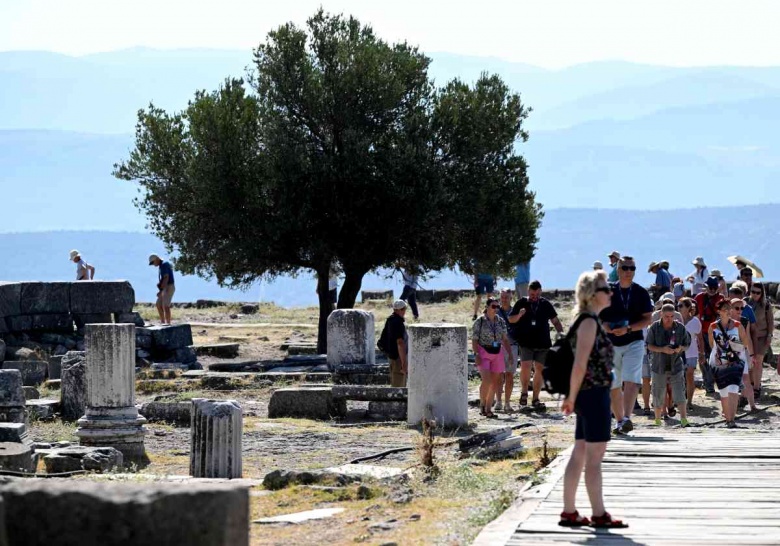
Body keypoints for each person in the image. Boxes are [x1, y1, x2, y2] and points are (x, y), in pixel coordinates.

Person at [559, 271, 628, 529]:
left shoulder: (587, 320)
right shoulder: (588, 322)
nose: (610, 293)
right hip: (593, 395)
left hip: (588, 395)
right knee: (595, 457)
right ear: (591, 294)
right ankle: (599, 514)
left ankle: (570, 511)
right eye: (605, 289)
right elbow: (580, 365)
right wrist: (571, 397)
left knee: (580, 451)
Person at [600, 256, 653, 434]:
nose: (628, 271)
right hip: (611, 342)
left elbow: (648, 318)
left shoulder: (640, 292)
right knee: (614, 384)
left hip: (634, 340)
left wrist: (628, 328)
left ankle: (627, 418)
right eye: (625, 268)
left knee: (631, 380)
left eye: (632, 268)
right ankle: (620, 420)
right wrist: (606, 327)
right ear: (618, 269)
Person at [507, 280, 563, 410]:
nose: (535, 297)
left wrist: (561, 335)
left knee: (539, 369)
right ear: (528, 292)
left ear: (541, 292)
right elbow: (511, 319)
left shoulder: (545, 304)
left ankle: (536, 398)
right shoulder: (521, 302)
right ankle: (524, 392)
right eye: (532, 294)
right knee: (526, 366)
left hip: (543, 342)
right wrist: (520, 315)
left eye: (537, 294)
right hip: (526, 342)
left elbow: (555, 321)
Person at [709, 300, 756, 428]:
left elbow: (745, 343)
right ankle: (727, 418)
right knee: (723, 390)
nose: (728, 311)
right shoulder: (713, 326)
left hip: (736, 360)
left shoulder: (737, 325)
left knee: (734, 388)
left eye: (729, 309)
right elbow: (711, 344)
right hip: (719, 361)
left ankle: (732, 419)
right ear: (719, 311)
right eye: (725, 309)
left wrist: (732, 347)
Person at [646, 304, 691, 427]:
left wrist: (680, 348)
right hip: (658, 364)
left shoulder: (680, 328)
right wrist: (662, 349)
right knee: (657, 392)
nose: (669, 319)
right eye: (666, 316)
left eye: (671, 316)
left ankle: (684, 420)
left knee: (680, 392)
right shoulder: (654, 327)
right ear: (661, 314)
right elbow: (649, 345)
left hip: (675, 364)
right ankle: (657, 420)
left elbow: (687, 343)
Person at [641, 294, 683, 417]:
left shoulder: (677, 316)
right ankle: (654, 408)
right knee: (652, 381)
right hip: (652, 354)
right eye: (665, 302)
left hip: (670, 353)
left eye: (670, 302)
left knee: (669, 383)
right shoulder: (654, 317)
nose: (667, 304)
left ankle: (669, 406)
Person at [472, 298, 513, 418]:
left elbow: (505, 339)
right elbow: (474, 339)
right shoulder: (480, 321)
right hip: (483, 351)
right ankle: (482, 404)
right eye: (493, 306)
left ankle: (488, 409)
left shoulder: (500, 321)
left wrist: (510, 354)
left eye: (497, 307)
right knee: (487, 380)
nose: (496, 309)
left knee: (495, 382)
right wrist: (476, 354)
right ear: (487, 307)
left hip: (497, 352)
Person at [694, 277, 724, 395]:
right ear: (705, 287)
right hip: (701, 332)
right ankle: (707, 382)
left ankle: (710, 382)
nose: (712, 290)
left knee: (714, 358)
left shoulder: (721, 299)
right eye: (710, 288)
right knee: (702, 357)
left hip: (715, 333)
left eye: (714, 288)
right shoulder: (699, 298)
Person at [728, 298, 758, 412]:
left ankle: (752, 405)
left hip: (741, 352)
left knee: (746, 380)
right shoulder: (725, 321)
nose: (740, 310)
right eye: (737, 308)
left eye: (742, 308)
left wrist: (751, 355)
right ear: (730, 309)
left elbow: (748, 338)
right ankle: (730, 407)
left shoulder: (745, 321)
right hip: (729, 354)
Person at [748, 282, 774, 399]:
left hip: (762, 336)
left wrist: (769, 336)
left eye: (758, 293)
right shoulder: (746, 302)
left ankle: (757, 387)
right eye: (753, 292)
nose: (755, 295)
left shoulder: (766, 305)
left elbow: (770, 322)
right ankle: (752, 383)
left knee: (758, 361)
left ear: (762, 293)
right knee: (751, 362)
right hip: (749, 337)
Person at [679, 297, 704, 409]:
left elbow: (700, 338)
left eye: (681, 306)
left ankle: (689, 401)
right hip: (678, 353)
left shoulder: (695, 321)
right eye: (678, 305)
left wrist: (702, 353)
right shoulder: (676, 320)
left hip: (691, 352)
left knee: (689, 376)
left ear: (688, 307)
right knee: (678, 377)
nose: (678, 308)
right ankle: (679, 400)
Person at [496, 288, 518, 412]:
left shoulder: (514, 311)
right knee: (499, 375)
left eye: (506, 297)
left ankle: (507, 403)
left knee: (509, 375)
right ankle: (498, 401)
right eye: (502, 297)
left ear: (511, 298)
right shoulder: (495, 310)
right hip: (498, 347)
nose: (504, 299)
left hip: (512, 345)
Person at [382, 300, 409, 387]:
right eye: (403, 309)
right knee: (399, 386)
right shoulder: (398, 322)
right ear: (398, 310)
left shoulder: (390, 320)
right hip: (398, 358)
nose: (404, 311)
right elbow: (400, 343)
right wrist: (404, 363)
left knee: (395, 382)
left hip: (391, 356)